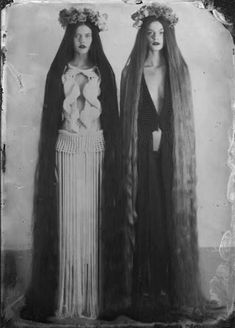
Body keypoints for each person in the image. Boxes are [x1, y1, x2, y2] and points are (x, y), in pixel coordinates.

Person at [21, 7, 119, 321]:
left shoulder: (104, 73)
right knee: (67, 226)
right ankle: (64, 300)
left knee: (91, 225)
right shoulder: (58, 73)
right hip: (65, 153)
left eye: (88, 35)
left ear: (95, 38)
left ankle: (91, 300)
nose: (82, 39)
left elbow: (112, 122)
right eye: (77, 34)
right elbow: (51, 120)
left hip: (95, 155)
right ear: (69, 37)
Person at [120, 3, 202, 321]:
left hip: (171, 159)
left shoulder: (178, 72)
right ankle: (144, 291)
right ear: (143, 36)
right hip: (140, 158)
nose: (156, 37)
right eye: (150, 32)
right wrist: (146, 140)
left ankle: (168, 291)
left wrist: (164, 140)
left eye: (160, 33)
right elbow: (128, 120)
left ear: (168, 36)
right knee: (145, 218)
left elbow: (182, 122)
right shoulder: (133, 72)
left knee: (170, 218)